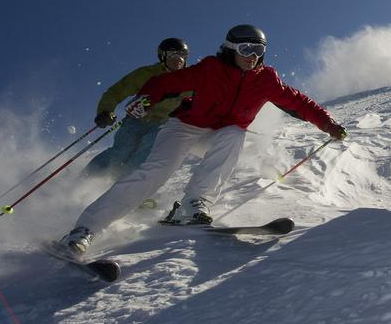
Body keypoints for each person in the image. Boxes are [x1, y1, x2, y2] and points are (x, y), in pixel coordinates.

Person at [59, 24, 346, 256]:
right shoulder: (210, 69)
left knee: (234, 134)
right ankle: (85, 228)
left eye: (259, 50)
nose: (252, 56)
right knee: (154, 173)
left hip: (220, 133)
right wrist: (145, 99)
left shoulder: (266, 79)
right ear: (231, 49)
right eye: (246, 49)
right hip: (184, 128)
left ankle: (194, 204)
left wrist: (327, 123)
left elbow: (299, 102)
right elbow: (165, 83)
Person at [81, 38, 191, 181]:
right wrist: (105, 111)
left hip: (162, 124)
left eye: (182, 55)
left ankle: (125, 186)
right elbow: (116, 91)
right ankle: (85, 178)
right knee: (121, 151)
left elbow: (204, 100)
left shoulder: (190, 80)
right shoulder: (146, 74)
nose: (178, 60)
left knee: (147, 151)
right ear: (162, 57)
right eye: (172, 55)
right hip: (136, 120)